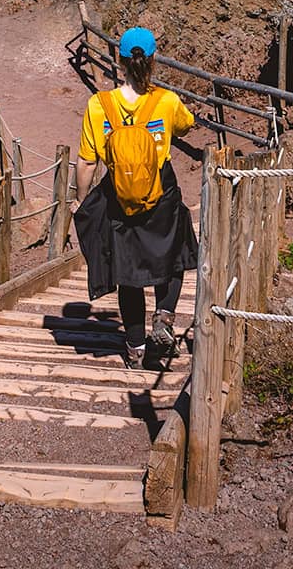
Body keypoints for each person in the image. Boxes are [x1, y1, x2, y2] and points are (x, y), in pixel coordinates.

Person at [73, 26, 199, 369]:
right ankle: (164, 315)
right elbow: (186, 125)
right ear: (153, 59)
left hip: (119, 198)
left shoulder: (99, 105)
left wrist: (82, 200)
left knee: (129, 273)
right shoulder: (167, 101)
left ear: (120, 60)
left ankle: (135, 350)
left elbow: (86, 161)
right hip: (161, 195)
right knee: (174, 255)